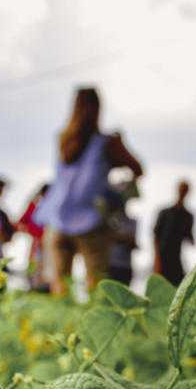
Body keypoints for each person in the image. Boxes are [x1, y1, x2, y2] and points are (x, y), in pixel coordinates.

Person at [33, 87, 144, 295]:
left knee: (60, 288)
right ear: (97, 108)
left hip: (57, 219)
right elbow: (138, 169)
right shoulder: (107, 142)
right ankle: (91, 327)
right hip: (90, 221)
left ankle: (62, 326)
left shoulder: (63, 139)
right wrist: (117, 191)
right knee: (96, 285)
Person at [153, 181, 194, 285]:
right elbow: (156, 236)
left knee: (177, 286)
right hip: (163, 256)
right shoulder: (165, 213)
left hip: (176, 258)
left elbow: (190, 237)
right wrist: (157, 260)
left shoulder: (188, 217)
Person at [17, 184, 50, 293]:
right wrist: (35, 235)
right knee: (34, 278)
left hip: (52, 248)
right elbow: (21, 223)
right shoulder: (35, 207)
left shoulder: (56, 208)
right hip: (37, 248)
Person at [107, 204, 138, 285]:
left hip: (125, 265)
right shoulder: (109, 221)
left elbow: (132, 239)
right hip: (111, 264)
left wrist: (118, 237)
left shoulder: (132, 221)